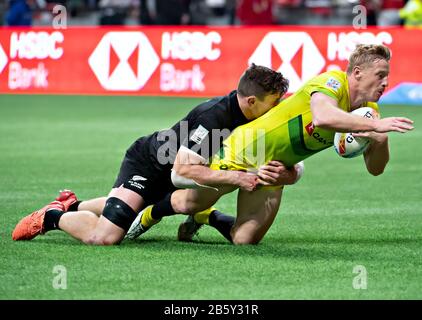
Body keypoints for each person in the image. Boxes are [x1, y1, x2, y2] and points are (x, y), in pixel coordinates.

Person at [129, 44, 414, 245]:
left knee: (245, 239)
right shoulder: (332, 82)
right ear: (357, 74)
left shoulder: (368, 112)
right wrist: (374, 125)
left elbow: (375, 170)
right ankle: (151, 213)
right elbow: (324, 117)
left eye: (387, 76)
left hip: (275, 167)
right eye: (380, 75)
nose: (386, 82)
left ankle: (207, 217)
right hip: (245, 149)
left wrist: (380, 139)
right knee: (184, 202)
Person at [12, 64, 294, 245]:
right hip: (149, 165)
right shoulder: (214, 117)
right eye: (274, 102)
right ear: (252, 101)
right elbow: (183, 171)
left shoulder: (254, 116)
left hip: (173, 176)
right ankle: (51, 216)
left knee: (165, 204)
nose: (277, 107)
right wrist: (239, 177)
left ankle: (73, 204)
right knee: (105, 237)